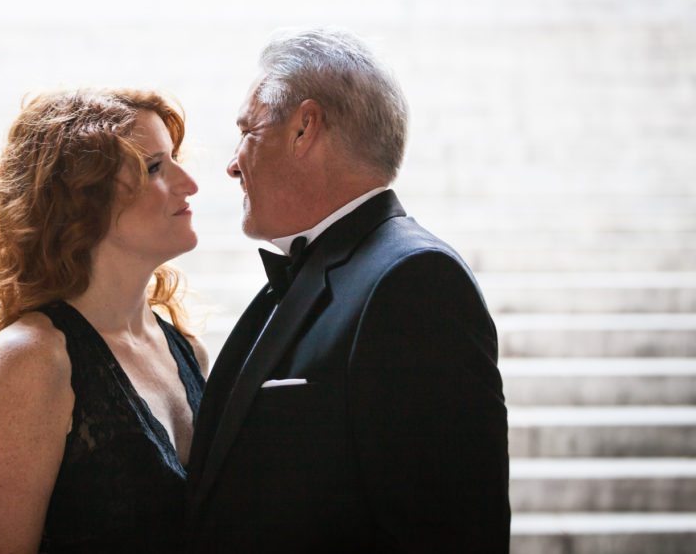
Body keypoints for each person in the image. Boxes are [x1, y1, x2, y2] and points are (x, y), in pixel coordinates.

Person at [186, 28, 510, 552]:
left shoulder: (416, 283)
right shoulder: (325, 268)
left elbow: (451, 530)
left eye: (248, 132)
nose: (232, 163)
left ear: (303, 129)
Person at [0, 88, 209, 554]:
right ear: (82, 201)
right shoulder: (28, 361)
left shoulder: (186, 350)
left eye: (174, 159)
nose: (189, 183)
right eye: (154, 168)